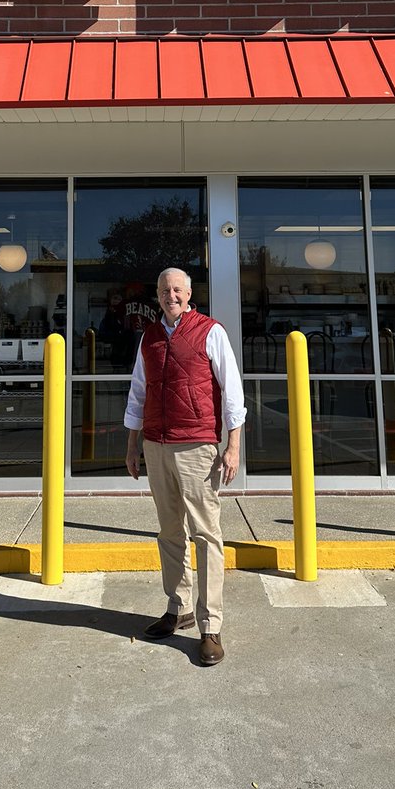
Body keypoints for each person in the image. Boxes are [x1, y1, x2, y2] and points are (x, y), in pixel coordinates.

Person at [125, 267, 246, 666]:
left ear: (189, 293)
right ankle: (178, 609)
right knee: (170, 533)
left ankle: (210, 627)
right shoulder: (150, 337)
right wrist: (133, 444)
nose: (170, 295)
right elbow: (137, 392)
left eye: (177, 289)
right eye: (163, 290)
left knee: (206, 535)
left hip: (197, 447)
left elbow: (232, 391)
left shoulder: (211, 331)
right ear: (157, 295)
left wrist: (233, 447)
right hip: (156, 445)